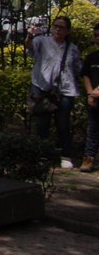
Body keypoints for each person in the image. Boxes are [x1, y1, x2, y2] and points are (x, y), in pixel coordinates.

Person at [26, 15, 83, 166]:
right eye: (55, 26)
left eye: (61, 27)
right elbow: (30, 47)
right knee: (42, 124)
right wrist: (30, 35)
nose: (57, 29)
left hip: (65, 90)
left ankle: (65, 155)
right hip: (42, 87)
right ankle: (41, 156)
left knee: (63, 124)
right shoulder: (42, 41)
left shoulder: (72, 48)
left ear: (68, 31)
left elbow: (78, 68)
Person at [79, 22, 99, 172]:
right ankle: (89, 158)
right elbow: (86, 75)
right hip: (94, 98)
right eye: (96, 35)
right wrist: (90, 93)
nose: (97, 38)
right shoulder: (92, 57)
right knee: (92, 128)